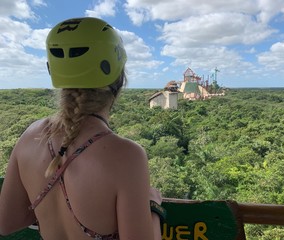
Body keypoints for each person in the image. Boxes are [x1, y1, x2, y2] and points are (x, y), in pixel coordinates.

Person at [0, 17, 163, 240]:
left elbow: (7, 222)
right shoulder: (127, 155)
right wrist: (153, 207)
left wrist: (51, 209)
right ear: (119, 78)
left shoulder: (31, 135)